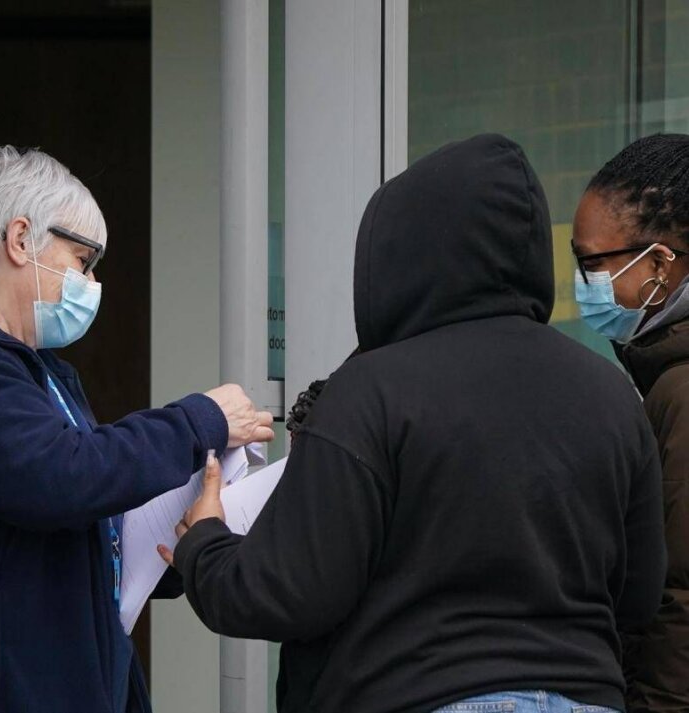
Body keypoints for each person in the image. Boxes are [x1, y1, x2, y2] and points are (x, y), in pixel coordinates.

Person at [158, 134, 666, 713]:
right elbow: (639, 597)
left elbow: (290, 593)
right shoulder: (612, 395)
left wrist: (204, 544)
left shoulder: (370, 391)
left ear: (399, 254)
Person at [0, 146, 274, 712]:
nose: (91, 282)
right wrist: (200, 421)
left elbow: (81, 512)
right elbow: (62, 476)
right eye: (82, 260)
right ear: (20, 239)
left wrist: (171, 543)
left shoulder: (44, 374)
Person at [572, 133, 689, 712]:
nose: (581, 284)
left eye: (592, 263)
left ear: (660, 265)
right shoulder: (664, 376)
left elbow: (681, 592)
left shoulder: (681, 389)